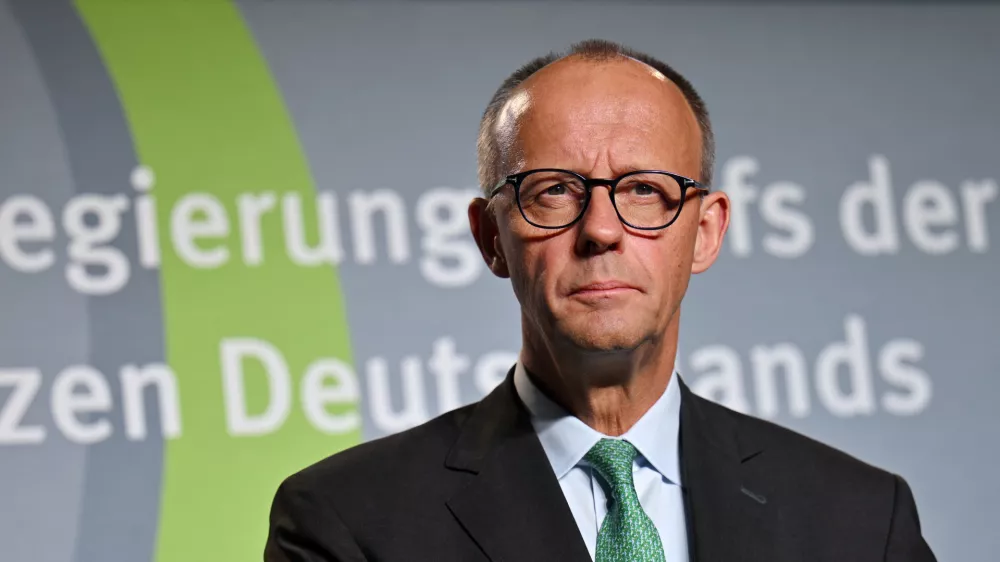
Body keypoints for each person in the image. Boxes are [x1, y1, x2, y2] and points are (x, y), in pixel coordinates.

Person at [264, 39, 937, 562]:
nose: (602, 230)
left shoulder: (860, 519)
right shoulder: (349, 520)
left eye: (645, 189)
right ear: (489, 237)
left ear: (704, 233)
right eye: (552, 190)